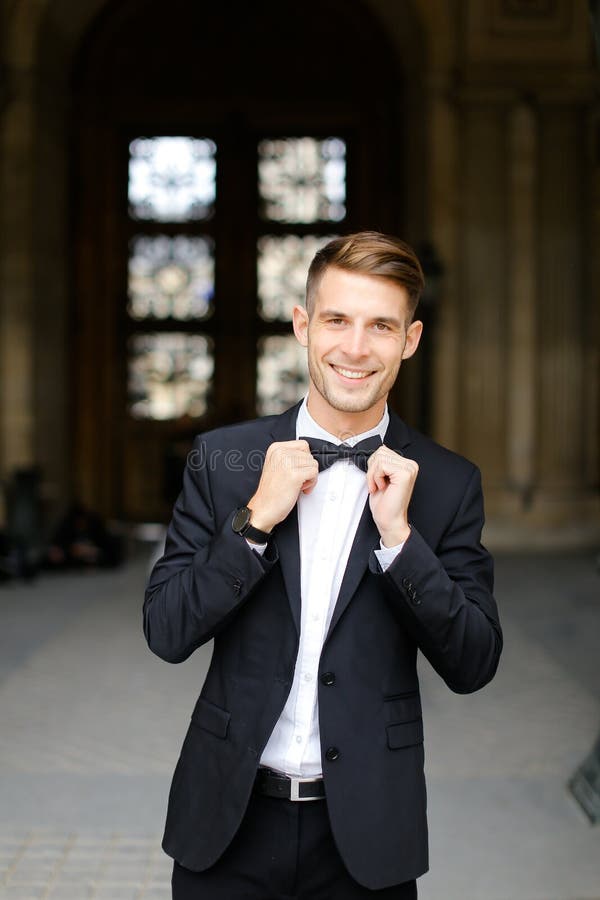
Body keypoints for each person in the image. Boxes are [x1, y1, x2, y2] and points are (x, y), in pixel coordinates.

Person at [143, 231, 503, 899]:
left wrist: (401, 542)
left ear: (410, 340)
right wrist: (254, 522)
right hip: (227, 820)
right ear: (304, 326)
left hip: (366, 836)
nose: (356, 348)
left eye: (381, 327)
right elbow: (166, 631)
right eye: (337, 320)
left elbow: (474, 662)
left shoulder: (449, 484)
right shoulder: (224, 461)